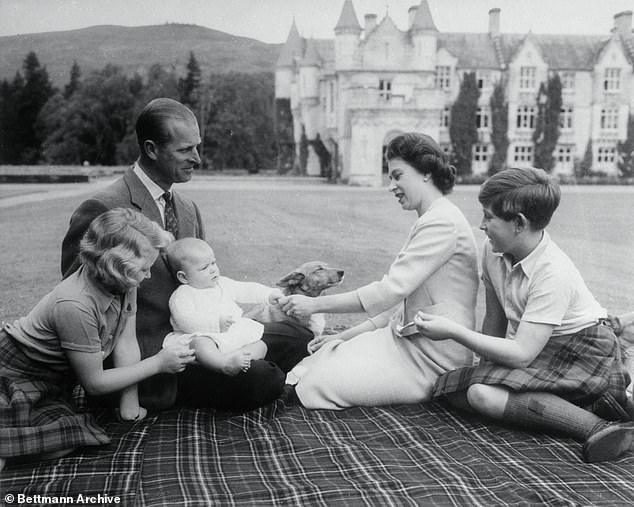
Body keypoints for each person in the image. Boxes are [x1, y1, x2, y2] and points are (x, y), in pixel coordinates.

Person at [61, 97, 311, 411]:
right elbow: (77, 300)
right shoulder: (103, 208)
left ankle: (249, 362)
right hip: (151, 358)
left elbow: (203, 284)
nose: (197, 158)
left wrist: (234, 322)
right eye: (185, 150)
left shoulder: (187, 209)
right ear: (151, 149)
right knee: (262, 379)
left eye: (197, 147)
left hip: (205, 338)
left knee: (298, 334)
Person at [413, 167, 633, 463]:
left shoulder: (554, 272)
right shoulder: (492, 250)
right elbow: (495, 317)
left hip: (585, 350)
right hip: (538, 346)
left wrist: (454, 331)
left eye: (489, 217)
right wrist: (485, 368)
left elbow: (521, 355)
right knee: (450, 388)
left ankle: (600, 427)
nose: (481, 225)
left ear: (519, 223)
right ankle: (574, 409)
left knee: (480, 394)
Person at [280, 132, 479, 409]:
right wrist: (342, 336)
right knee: (319, 359)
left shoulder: (441, 223)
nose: (391, 186)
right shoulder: (432, 218)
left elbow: (388, 292)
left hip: (433, 361)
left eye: (398, 176)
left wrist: (314, 304)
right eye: (390, 178)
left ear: (425, 173)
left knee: (314, 386)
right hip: (404, 343)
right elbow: (396, 305)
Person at [0, 208, 195, 472]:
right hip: (13, 371)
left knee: (70, 436)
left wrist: (129, 405)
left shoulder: (124, 282)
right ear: (115, 266)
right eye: (144, 269)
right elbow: (94, 383)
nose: (147, 276)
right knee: (50, 437)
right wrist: (159, 364)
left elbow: (126, 342)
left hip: (54, 380)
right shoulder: (75, 304)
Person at [163, 238, 282, 375]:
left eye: (213, 263)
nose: (213, 269)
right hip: (203, 335)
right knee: (200, 344)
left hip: (229, 334)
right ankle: (224, 364)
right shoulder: (183, 295)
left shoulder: (222, 284)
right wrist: (215, 323)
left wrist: (268, 294)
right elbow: (185, 320)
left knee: (261, 345)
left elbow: (244, 289)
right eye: (204, 268)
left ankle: (239, 358)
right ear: (183, 277)